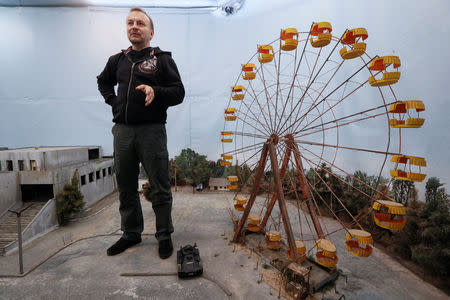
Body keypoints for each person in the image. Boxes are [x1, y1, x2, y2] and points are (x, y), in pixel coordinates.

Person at [97, 7, 184, 259]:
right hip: (122, 132)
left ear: (151, 32)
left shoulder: (162, 59)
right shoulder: (118, 60)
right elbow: (103, 81)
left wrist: (157, 92)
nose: (134, 27)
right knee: (125, 185)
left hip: (152, 132)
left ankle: (164, 234)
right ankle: (131, 233)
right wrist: (113, 101)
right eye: (130, 23)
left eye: (140, 23)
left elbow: (178, 92)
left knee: (159, 186)